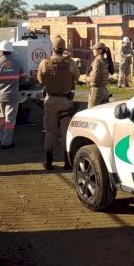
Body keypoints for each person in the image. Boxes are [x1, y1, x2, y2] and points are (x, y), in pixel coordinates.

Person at [37, 35, 80, 171]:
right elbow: (77, 77)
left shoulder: (45, 63)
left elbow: (40, 79)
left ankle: (49, 162)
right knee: (65, 132)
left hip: (50, 100)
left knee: (50, 131)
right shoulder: (70, 63)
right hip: (66, 101)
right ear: (64, 48)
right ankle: (67, 162)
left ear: (53, 48)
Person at [0, 40, 26, 149]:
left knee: (1, 118)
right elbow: (24, 78)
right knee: (10, 119)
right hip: (13, 96)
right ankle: (6, 142)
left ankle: (3, 140)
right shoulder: (18, 64)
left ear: (1, 52)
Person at [88, 42, 111, 107]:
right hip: (104, 90)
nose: (93, 51)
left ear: (100, 50)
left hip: (96, 91)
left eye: (95, 49)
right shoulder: (106, 61)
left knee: (91, 113)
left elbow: (94, 78)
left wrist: (85, 78)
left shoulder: (97, 61)